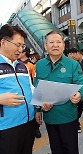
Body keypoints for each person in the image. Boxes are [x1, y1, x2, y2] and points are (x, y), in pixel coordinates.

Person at [34, 30, 83, 154]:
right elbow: (37, 88)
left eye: (58, 42)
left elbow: (82, 84)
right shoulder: (40, 65)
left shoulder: (73, 65)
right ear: (45, 46)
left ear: (64, 45)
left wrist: (79, 94)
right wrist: (38, 108)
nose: (55, 45)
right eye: (51, 42)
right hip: (49, 117)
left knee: (71, 149)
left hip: (68, 115)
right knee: (55, 149)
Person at [0, 24, 35, 154]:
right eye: (17, 45)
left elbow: (31, 90)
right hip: (6, 128)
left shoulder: (22, 66)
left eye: (22, 46)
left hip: (28, 123)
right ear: (3, 42)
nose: (20, 49)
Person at [18, 47, 42, 138]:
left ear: (24, 53)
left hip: (30, 94)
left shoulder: (30, 65)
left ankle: (36, 128)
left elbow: (34, 80)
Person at [67, 47, 83, 133]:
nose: (71, 55)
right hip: (70, 91)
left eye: (73, 53)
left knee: (80, 107)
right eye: (70, 54)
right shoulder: (67, 65)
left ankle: (78, 119)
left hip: (81, 90)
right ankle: (76, 123)